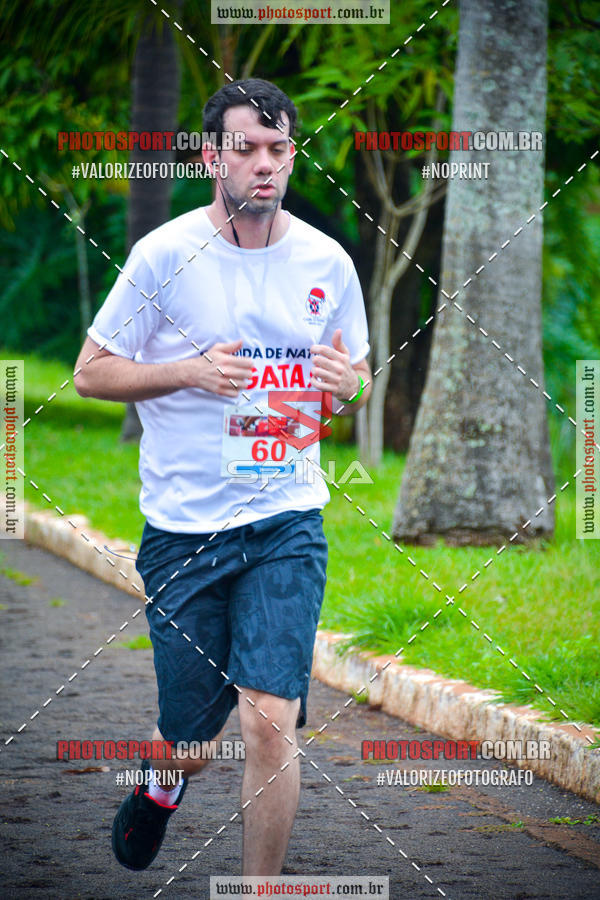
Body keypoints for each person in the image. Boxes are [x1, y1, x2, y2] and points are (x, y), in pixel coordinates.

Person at [74, 78, 371, 876]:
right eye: (247, 150)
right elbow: (90, 375)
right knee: (193, 742)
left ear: (293, 154)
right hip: (185, 531)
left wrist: (351, 388)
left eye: (278, 150)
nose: (264, 166)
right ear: (213, 155)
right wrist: (190, 373)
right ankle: (161, 784)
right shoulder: (164, 254)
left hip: (286, 521)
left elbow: (353, 377)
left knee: (271, 722)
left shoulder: (326, 260)